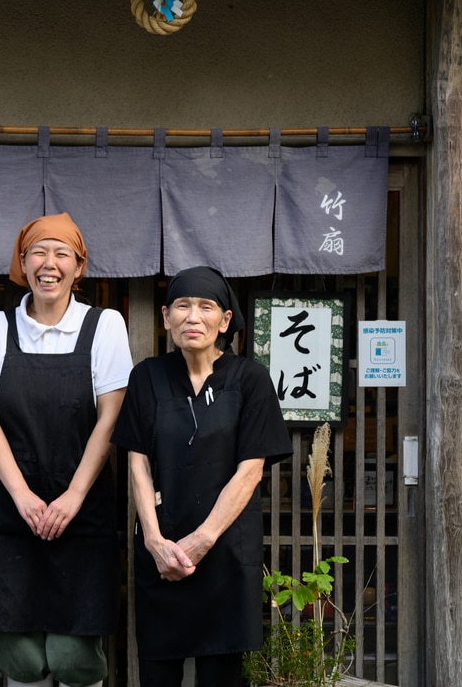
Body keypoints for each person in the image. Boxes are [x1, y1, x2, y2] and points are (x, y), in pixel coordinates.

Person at [0, 212, 133, 687]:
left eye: (63, 254)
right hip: (16, 510)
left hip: (83, 509)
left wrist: (73, 498)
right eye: (38, 252)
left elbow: (110, 417)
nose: (49, 263)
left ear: (79, 267)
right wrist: (21, 496)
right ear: (22, 262)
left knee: (73, 655)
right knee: (19, 655)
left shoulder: (105, 325)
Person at [111, 266, 293, 687]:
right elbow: (137, 463)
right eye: (182, 306)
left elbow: (251, 469)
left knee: (222, 676)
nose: (193, 317)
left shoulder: (250, 379)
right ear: (165, 317)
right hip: (163, 552)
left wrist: (202, 540)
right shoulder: (147, 377)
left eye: (206, 307)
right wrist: (155, 542)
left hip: (225, 553)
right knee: (158, 672)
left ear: (225, 320)